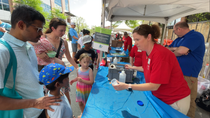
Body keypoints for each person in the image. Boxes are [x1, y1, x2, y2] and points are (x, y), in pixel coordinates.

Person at [112, 24, 191, 115]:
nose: (135, 43)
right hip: (161, 98)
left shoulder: (160, 54)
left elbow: (154, 85)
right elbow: (147, 68)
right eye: (134, 40)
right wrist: (132, 67)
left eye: (138, 39)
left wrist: (127, 86)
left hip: (175, 101)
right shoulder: (145, 52)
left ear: (148, 37)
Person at [0, 5, 61, 118]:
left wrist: (52, 89)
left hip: (39, 109)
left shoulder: (28, 45)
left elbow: (30, 77)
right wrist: (36, 103)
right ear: (21, 25)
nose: (41, 33)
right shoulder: (3, 51)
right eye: (38, 29)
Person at [33, 18, 78, 104]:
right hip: (48, 75)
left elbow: (69, 57)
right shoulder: (42, 38)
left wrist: (77, 68)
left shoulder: (64, 42)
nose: (63, 33)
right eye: (61, 30)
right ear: (53, 28)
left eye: (64, 31)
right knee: (50, 101)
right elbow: (29, 48)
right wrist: (38, 54)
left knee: (66, 99)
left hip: (61, 74)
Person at [167, 22, 205, 118]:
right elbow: (167, 49)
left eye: (174, 30)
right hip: (176, 73)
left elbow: (181, 51)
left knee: (187, 100)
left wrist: (175, 50)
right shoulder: (179, 39)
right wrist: (175, 48)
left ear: (179, 29)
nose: (174, 32)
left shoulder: (195, 36)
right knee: (176, 99)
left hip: (187, 74)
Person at [70, 53, 94, 118]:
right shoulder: (78, 69)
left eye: (88, 62)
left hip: (87, 89)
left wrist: (82, 80)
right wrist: (74, 80)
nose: (86, 64)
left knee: (87, 103)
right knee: (80, 103)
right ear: (80, 62)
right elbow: (78, 78)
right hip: (79, 89)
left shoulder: (90, 70)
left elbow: (91, 82)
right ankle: (83, 113)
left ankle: (88, 114)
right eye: (84, 62)